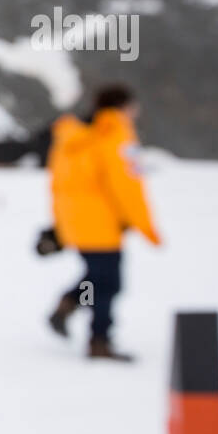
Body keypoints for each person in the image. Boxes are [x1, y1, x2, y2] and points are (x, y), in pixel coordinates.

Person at [46, 85, 161, 360]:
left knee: (98, 278)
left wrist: (62, 224)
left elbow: (59, 183)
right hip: (102, 224)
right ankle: (100, 341)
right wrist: (146, 226)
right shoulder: (115, 134)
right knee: (109, 283)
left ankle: (68, 304)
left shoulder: (73, 135)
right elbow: (126, 185)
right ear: (123, 106)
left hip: (76, 223)